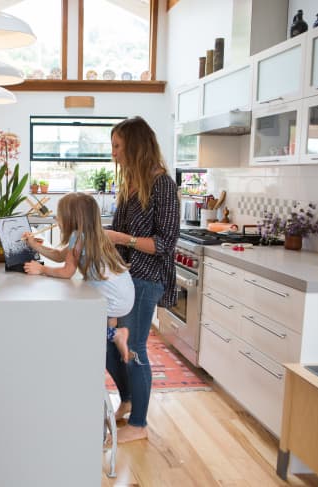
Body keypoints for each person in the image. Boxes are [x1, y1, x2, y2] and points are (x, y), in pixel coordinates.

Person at [105, 117, 179, 443]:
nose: (114, 155)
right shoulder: (130, 184)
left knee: (133, 349)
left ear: (134, 146)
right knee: (110, 345)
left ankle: (139, 425)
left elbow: (164, 244)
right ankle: (129, 398)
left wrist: (122, 238)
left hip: (147, 279)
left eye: (117, 147)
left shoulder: (163, 185)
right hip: (124, 279)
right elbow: (118, 236)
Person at [22, 192, 134, 359]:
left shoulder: (77, 237)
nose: (56, 220)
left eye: (59, 216)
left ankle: (115, 334)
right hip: (125, 292)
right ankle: (112, 333)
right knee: (98, 310)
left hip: (113, 299)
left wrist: (42, 269)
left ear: (70, 219)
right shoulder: (95, 234)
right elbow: (60, 255)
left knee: (79, 320)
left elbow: (67, 272)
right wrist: (34, 244)